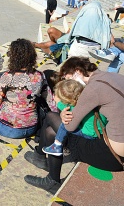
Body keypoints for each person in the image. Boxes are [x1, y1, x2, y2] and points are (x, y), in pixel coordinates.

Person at [24, 57, 124, 193]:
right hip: (114, 145)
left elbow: (70, 126)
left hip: (112, 156)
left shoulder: (93, 89)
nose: (68, 83)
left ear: (78, 71)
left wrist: (60, 105)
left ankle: (50, 176)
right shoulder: (114, 77)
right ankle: (41, 159)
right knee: (53, 124)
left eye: (68, 78)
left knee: (51, 125)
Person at [0, 39, 52, 139]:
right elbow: (50, 100)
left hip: (9, 128)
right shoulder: (39, 75)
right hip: (31, 127)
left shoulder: (8, 76)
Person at [42, 79, 106, 156]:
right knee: (53, 127)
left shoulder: (75, 107)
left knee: (65, 123)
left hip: (90, 135)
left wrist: (58, 102)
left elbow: (65, 108)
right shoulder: (87, 98)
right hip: (102, 129)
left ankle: (57, 145)